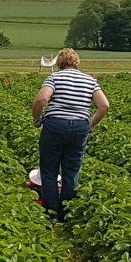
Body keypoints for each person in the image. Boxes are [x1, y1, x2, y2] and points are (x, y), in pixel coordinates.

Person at [32, 49, 108, 221]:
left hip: (55, 125)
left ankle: (51, 212)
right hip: (80, 127)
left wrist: (36, 119)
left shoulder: (54, 78)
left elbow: (41, 100)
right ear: (77, 62)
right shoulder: (90, 80)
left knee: (49, 170)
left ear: (59, 62)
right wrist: (90, 124)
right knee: (71, 170)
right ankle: (66, 213)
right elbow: (104, 105)